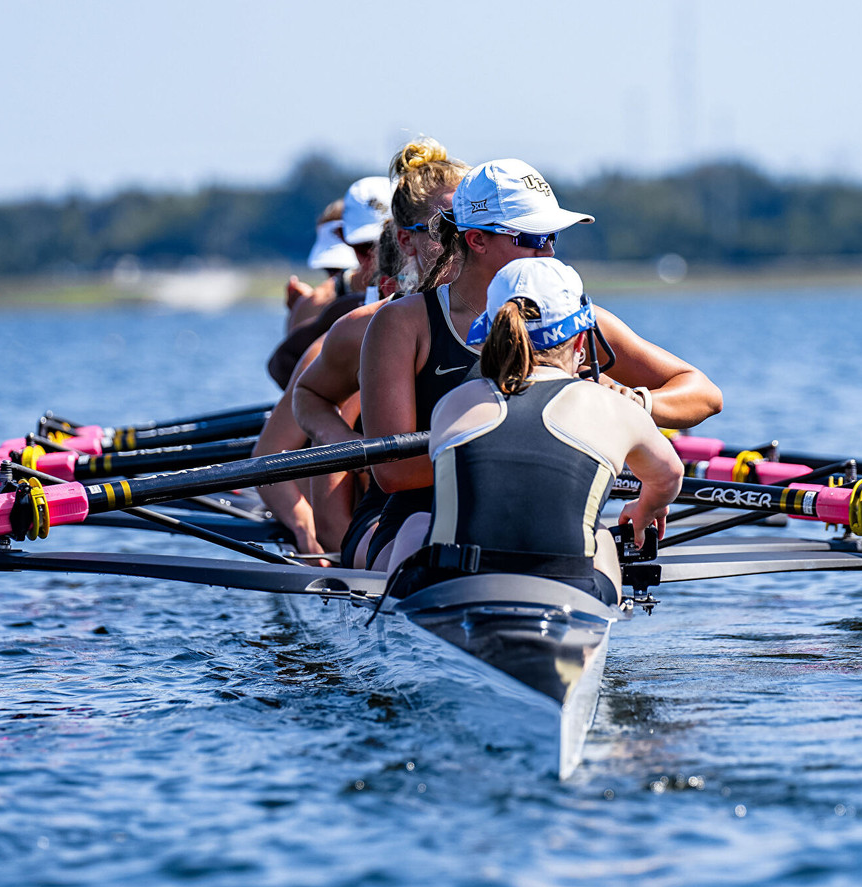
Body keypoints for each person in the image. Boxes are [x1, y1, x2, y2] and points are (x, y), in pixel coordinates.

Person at [355, 158, 722, 574]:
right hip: (426, 520)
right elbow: (394, 473)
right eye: (532, 238)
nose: (547, 253)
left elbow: (704, 394)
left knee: (598, 539)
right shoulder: (403, 324)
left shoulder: (575, 320)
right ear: (476, 239)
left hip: (548, 517)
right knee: (416, 532)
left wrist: (633, 405)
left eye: (552, 237)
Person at [388, 257, 683, 605]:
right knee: (600, 536)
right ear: (580, 345)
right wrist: (646, 508)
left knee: (414, 526)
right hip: (568, 594)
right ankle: (594, 633)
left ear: (488, 341)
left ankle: (397, 620)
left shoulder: (454, 405)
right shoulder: (614, 407)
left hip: (455, 591)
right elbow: (670, 475)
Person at [250, 142, 459, 555]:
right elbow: (276, 449)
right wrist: (314, 536)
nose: (358, 268)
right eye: (357, 251)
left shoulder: (513, 317)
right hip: (391, 520)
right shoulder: (362, 329)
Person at [269, 177, 390, 388]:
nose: (375, 257)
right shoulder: (315, 304)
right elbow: (290, 382)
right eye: (331, 271)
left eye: (384, 245)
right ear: (344, 238)